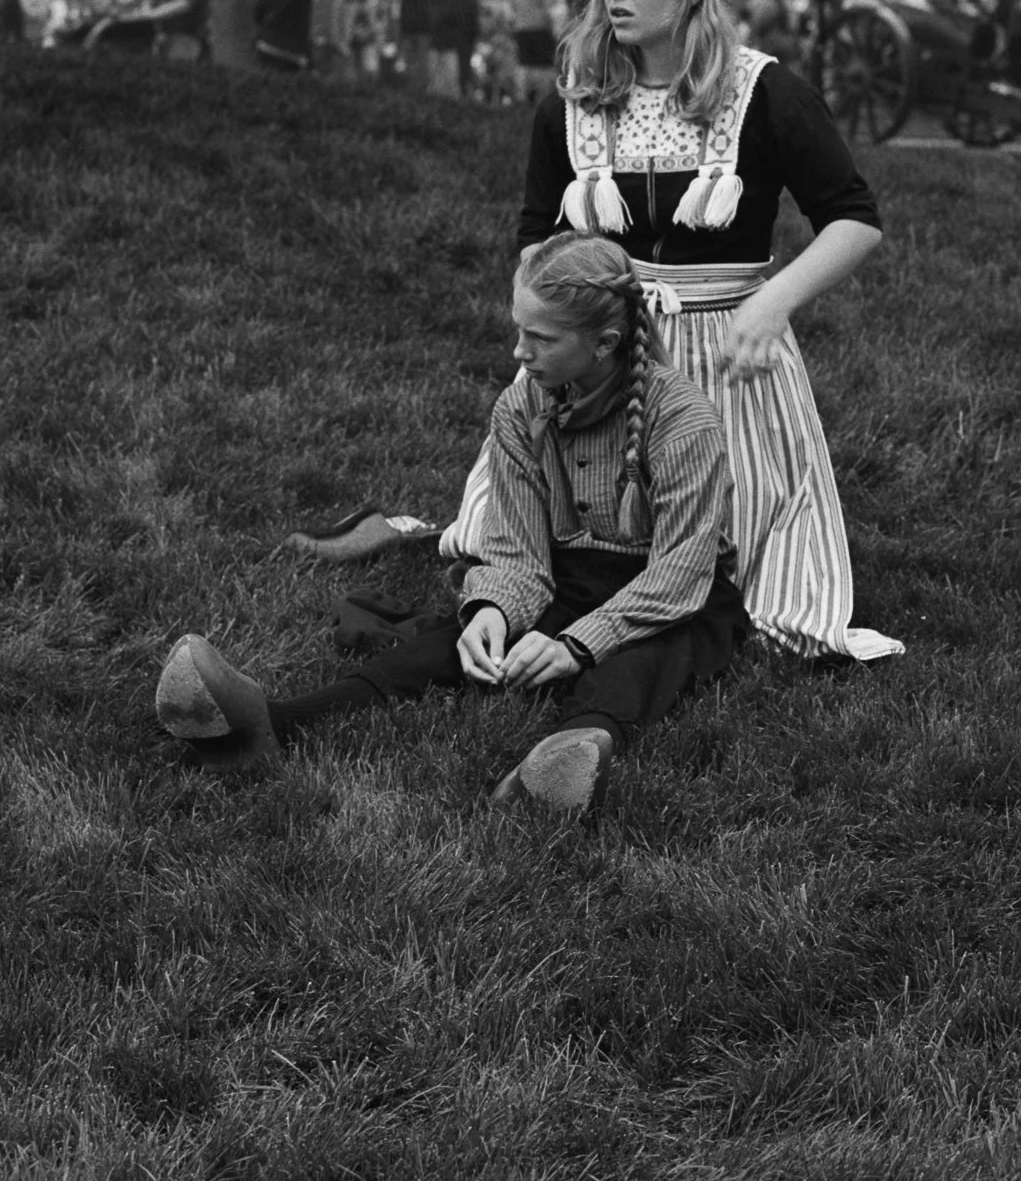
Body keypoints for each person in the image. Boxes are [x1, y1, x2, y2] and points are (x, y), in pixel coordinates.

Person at [312, 0, 899, 664]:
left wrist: (772, 304)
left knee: (749, 589)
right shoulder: (575, 104)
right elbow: (535, 236)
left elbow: (855, 216)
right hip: (601, 353)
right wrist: (554, 329)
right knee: (513, 543)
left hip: (724, 354)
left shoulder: (766, 94)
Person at [154, 232, 747, 813]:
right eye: (519, 330)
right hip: (576, 575)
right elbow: (517, 549)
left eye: (540, 338)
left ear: (605, 342)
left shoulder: (684, 422)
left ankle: (563, 763)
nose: (519, 352)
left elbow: (681, 574)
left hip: (680, 601)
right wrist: (492, 611)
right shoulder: (520, 408)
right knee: (442, 648)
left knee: (637, 664)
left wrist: (578, 644)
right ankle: (272, 723)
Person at [506, 0, 558, 101]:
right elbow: (549, 8)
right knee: (543, 66)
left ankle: (521, 97)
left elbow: (512, 8)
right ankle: (542, 100)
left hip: (521, 29)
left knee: (524, 64)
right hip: (540, 29)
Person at [397, 0, 437, 87]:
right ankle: (422, 87)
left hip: (407, 28)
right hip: (424, 28)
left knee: (409, 60)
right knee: (423, 61)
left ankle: (409, 86)